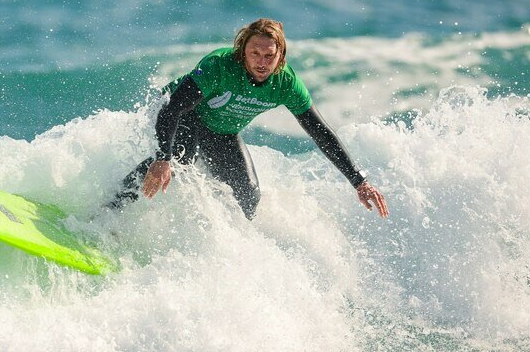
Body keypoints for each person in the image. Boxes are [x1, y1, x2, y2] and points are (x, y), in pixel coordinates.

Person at [109, 18, 389, 219]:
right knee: (180, 158)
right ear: (243, 50)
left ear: (280, 57)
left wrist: (359, 181)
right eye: (255, 53)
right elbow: (173, 110)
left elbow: (320, 132)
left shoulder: (286, 84)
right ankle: (109, 212)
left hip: (221, 130)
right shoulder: (219, 67)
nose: (261, 62)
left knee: (248, 199)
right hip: (183, 113)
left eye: (269, 55)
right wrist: (162, 158)